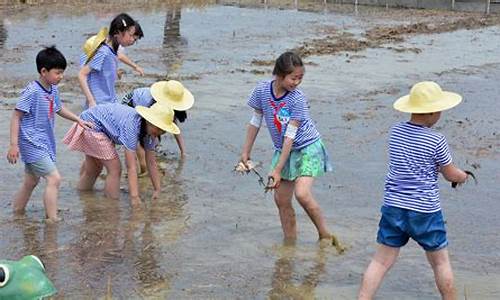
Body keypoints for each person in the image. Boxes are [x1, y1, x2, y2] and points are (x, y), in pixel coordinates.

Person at [358, 81, 469, 300]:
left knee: (380, 261)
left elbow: (409, 161)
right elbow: (449, 174)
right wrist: (463, 176)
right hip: (425, 211)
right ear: (432, 112)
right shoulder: (437, 140)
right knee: (440, 262)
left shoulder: (396, 132)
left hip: (394, 206)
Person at [238, 51, 335, 243]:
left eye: (300, 78)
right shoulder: (262, 90)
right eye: (293, 78)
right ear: (279, 75)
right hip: (283, 149)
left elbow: (290, 136)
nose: (297, 83)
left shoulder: (297, 99)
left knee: (302, 194)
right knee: (281, 200)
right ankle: (289, 243)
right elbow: (256, 119)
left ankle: (325, 236)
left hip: (307, 148)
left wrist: (277, 169)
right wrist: (246, 151)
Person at [6, 46, 92, 222]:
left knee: (31, 182)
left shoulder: (53, 89)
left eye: (62, 73)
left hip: (44, 143)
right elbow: (16, 116)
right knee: (54, 178)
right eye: (57, 73)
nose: (61, 77)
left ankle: (16, 214)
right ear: (43, 71)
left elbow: (59, 108)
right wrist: (14, 145)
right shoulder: (32, 91)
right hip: (31, 143)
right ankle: (52, 220)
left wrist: (78, 120)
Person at [62, 102, 179, 206]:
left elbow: (152, 163)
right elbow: (131, 166)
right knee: (115, 169)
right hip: (91, 124)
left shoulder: (151, 134)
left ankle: (84, 199)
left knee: (93, 169)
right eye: (157, 128)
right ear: (148, 120)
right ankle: (111, 207)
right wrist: (134, 197)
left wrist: (157, 189)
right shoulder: (132, 126)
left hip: (92, 120)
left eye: (163, 131)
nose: (159, 133)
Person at [122, 80, 194, 174]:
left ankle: (149, 157)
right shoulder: (148, 102)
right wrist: (144, 165)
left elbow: (175, 128)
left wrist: (183, 152)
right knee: (140, 137)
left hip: (144, 106)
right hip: (130, 106)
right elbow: (138, 131)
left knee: (154, 139)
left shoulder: (167, 108)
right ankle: (142, 167)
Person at [78, 13, 143, 108]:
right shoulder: (103, 52)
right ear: (118, 33)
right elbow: (81, 74)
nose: (132, 40)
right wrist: (91, 102)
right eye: (131, 35)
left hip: (109, 102)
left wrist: (115, 74)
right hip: (99, 105)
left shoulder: (112, 52)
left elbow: (102, 74)